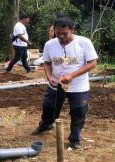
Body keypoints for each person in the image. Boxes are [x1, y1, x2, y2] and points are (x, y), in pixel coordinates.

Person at [31, 16, 98, 150]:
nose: (61, 36)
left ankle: (74, 138)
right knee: (49, 107)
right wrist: (49, 76)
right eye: (57, 33)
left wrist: (72, 75)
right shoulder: (50, 45)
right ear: (54, 30)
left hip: (78, 85)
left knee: (78, 111)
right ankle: (45, 125)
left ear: (72, 30)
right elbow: (47, 63)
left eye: (64, 33)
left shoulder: (84, 42)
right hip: (56, 84)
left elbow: (92, 63)